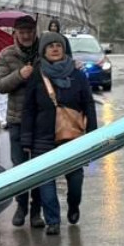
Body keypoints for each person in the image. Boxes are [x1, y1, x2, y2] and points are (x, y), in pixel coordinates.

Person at [19, 32, 100, 234]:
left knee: (75, 180)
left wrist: (92, 133)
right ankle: (53, 221)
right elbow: (28, 108)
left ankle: (73, 206)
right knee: (46, 181)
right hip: (42, 137)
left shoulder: (78, 74)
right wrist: (26, 138)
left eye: (58, 45)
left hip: (72, 137)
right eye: (50, 46)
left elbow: (88, 104)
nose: (55, 49)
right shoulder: (37, 75)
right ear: (43, 51)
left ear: (64, 49)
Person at [0, 14, 44, 227]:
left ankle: (36, 211)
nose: (26, 36)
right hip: (17, 119)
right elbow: (0, 85)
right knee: (20, 166)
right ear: (15, 34)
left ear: (35, 32)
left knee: (41, 166)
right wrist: (20, 75)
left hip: (42, 119)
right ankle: (21, 206)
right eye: (22, 32)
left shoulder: (44, 52)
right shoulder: (6, 55)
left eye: (30, 32)